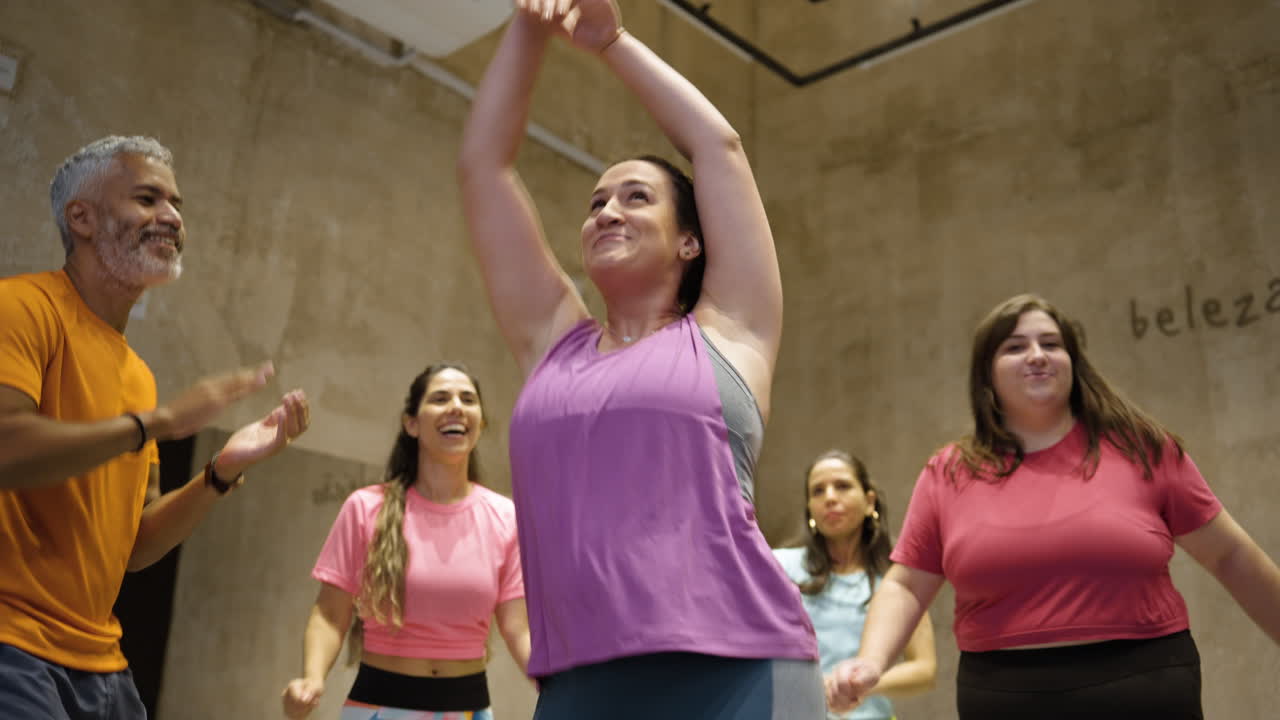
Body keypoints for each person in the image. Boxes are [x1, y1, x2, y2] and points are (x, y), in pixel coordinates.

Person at [457, 1, 821, 717]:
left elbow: (718, 148)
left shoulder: (731, 330)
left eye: (635, 197)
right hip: (580, 681)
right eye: (596, 203)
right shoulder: (551, 342)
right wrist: (529, 26)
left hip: (739, 669)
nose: (607, 212)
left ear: (691, 241)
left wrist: (612, 41)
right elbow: (482, 168)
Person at [826, 293, 1280, 719]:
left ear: (1073, 362)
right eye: (1015, 346)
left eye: (1051, 344)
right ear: (987, 374)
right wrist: (871, 661)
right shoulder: (948, 473)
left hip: (1146, 682)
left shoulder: (1143, 449)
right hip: (1004, 695)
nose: (1037, 355)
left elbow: (1231, 555)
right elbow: (906, 585)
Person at [0, 135, 311, 719]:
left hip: (100, 661)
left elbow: (135, 546)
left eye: (176, 204)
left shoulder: (137, 374)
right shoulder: (19, 309)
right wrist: (159, 423)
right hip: (12, 647)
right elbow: (5, 448)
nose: (171, 216)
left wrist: (221, 473)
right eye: (147, 199)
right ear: (82, 217)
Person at [281, 364, 528, 720]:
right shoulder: (367, 508)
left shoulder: (506, 517)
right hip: (378, 705)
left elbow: (517, 626)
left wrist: (553, 682)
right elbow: (331, 613)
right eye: (440, 398)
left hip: (468, 709)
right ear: (411, 423)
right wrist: (312, 678)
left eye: (468, 399)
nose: (456, 406)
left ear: (481, 423)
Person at [773, 450, 936, 719]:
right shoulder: (779, 567)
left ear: (869, 501)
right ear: (809, 508)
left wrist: (855, 685)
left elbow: (924, 669)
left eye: (842, 486)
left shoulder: (897, 581)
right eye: (817, 491)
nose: (830, 497)